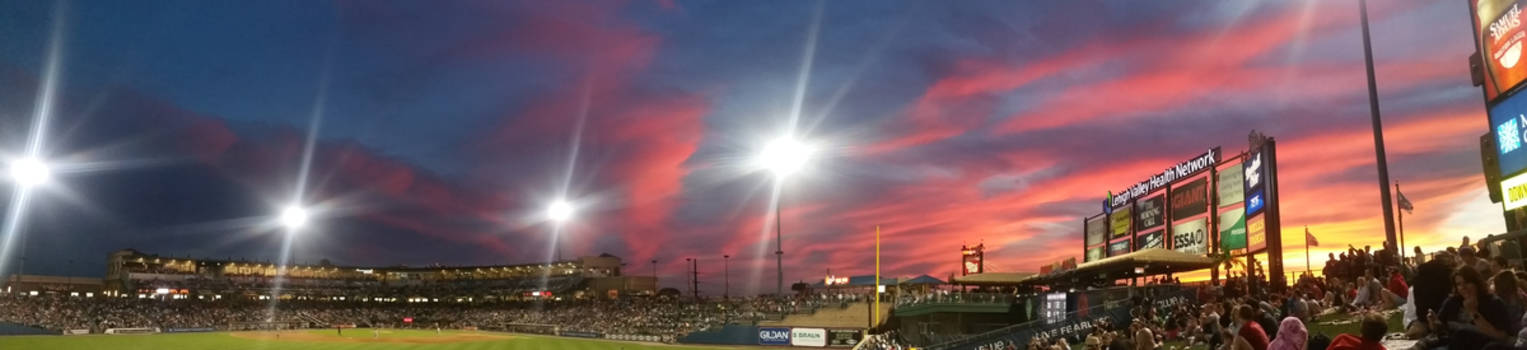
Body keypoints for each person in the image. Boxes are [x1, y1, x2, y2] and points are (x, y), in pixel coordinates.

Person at [1434, 265, 1512, 350]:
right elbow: (1441, 327)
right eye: (1459, 284)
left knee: (1463, 333)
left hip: (1483, 346)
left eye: (1466, 282)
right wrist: (1434, 324)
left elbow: (1502, 337)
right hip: (1453, 345)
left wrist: (1473, 312)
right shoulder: (1452, 302)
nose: (1463, 287)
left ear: (1476, 283)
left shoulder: (1493, 302)